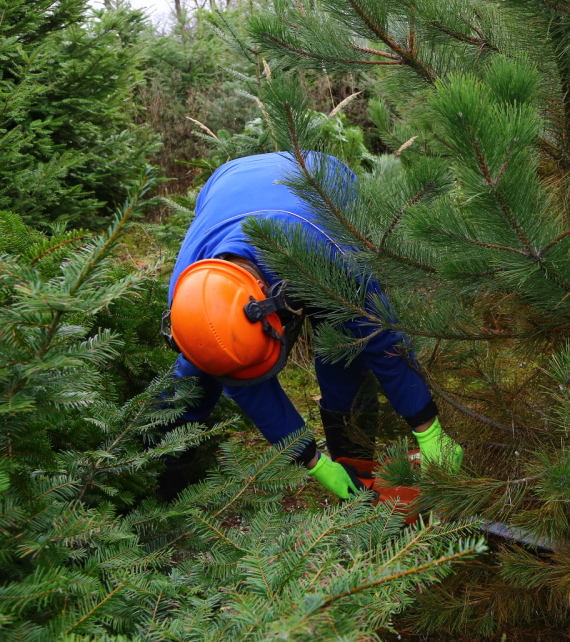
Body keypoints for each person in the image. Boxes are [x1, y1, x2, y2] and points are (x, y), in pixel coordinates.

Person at [157, 151, 462, 500]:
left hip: (319, 176)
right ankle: (161, 472)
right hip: (227, 180)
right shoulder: (187, 295)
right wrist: (313, 461)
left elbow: (383, 340)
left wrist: (429, 430)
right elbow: (244, 383)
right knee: (200, 363)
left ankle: (354, 458)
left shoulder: (331, 257)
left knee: (345, 336)